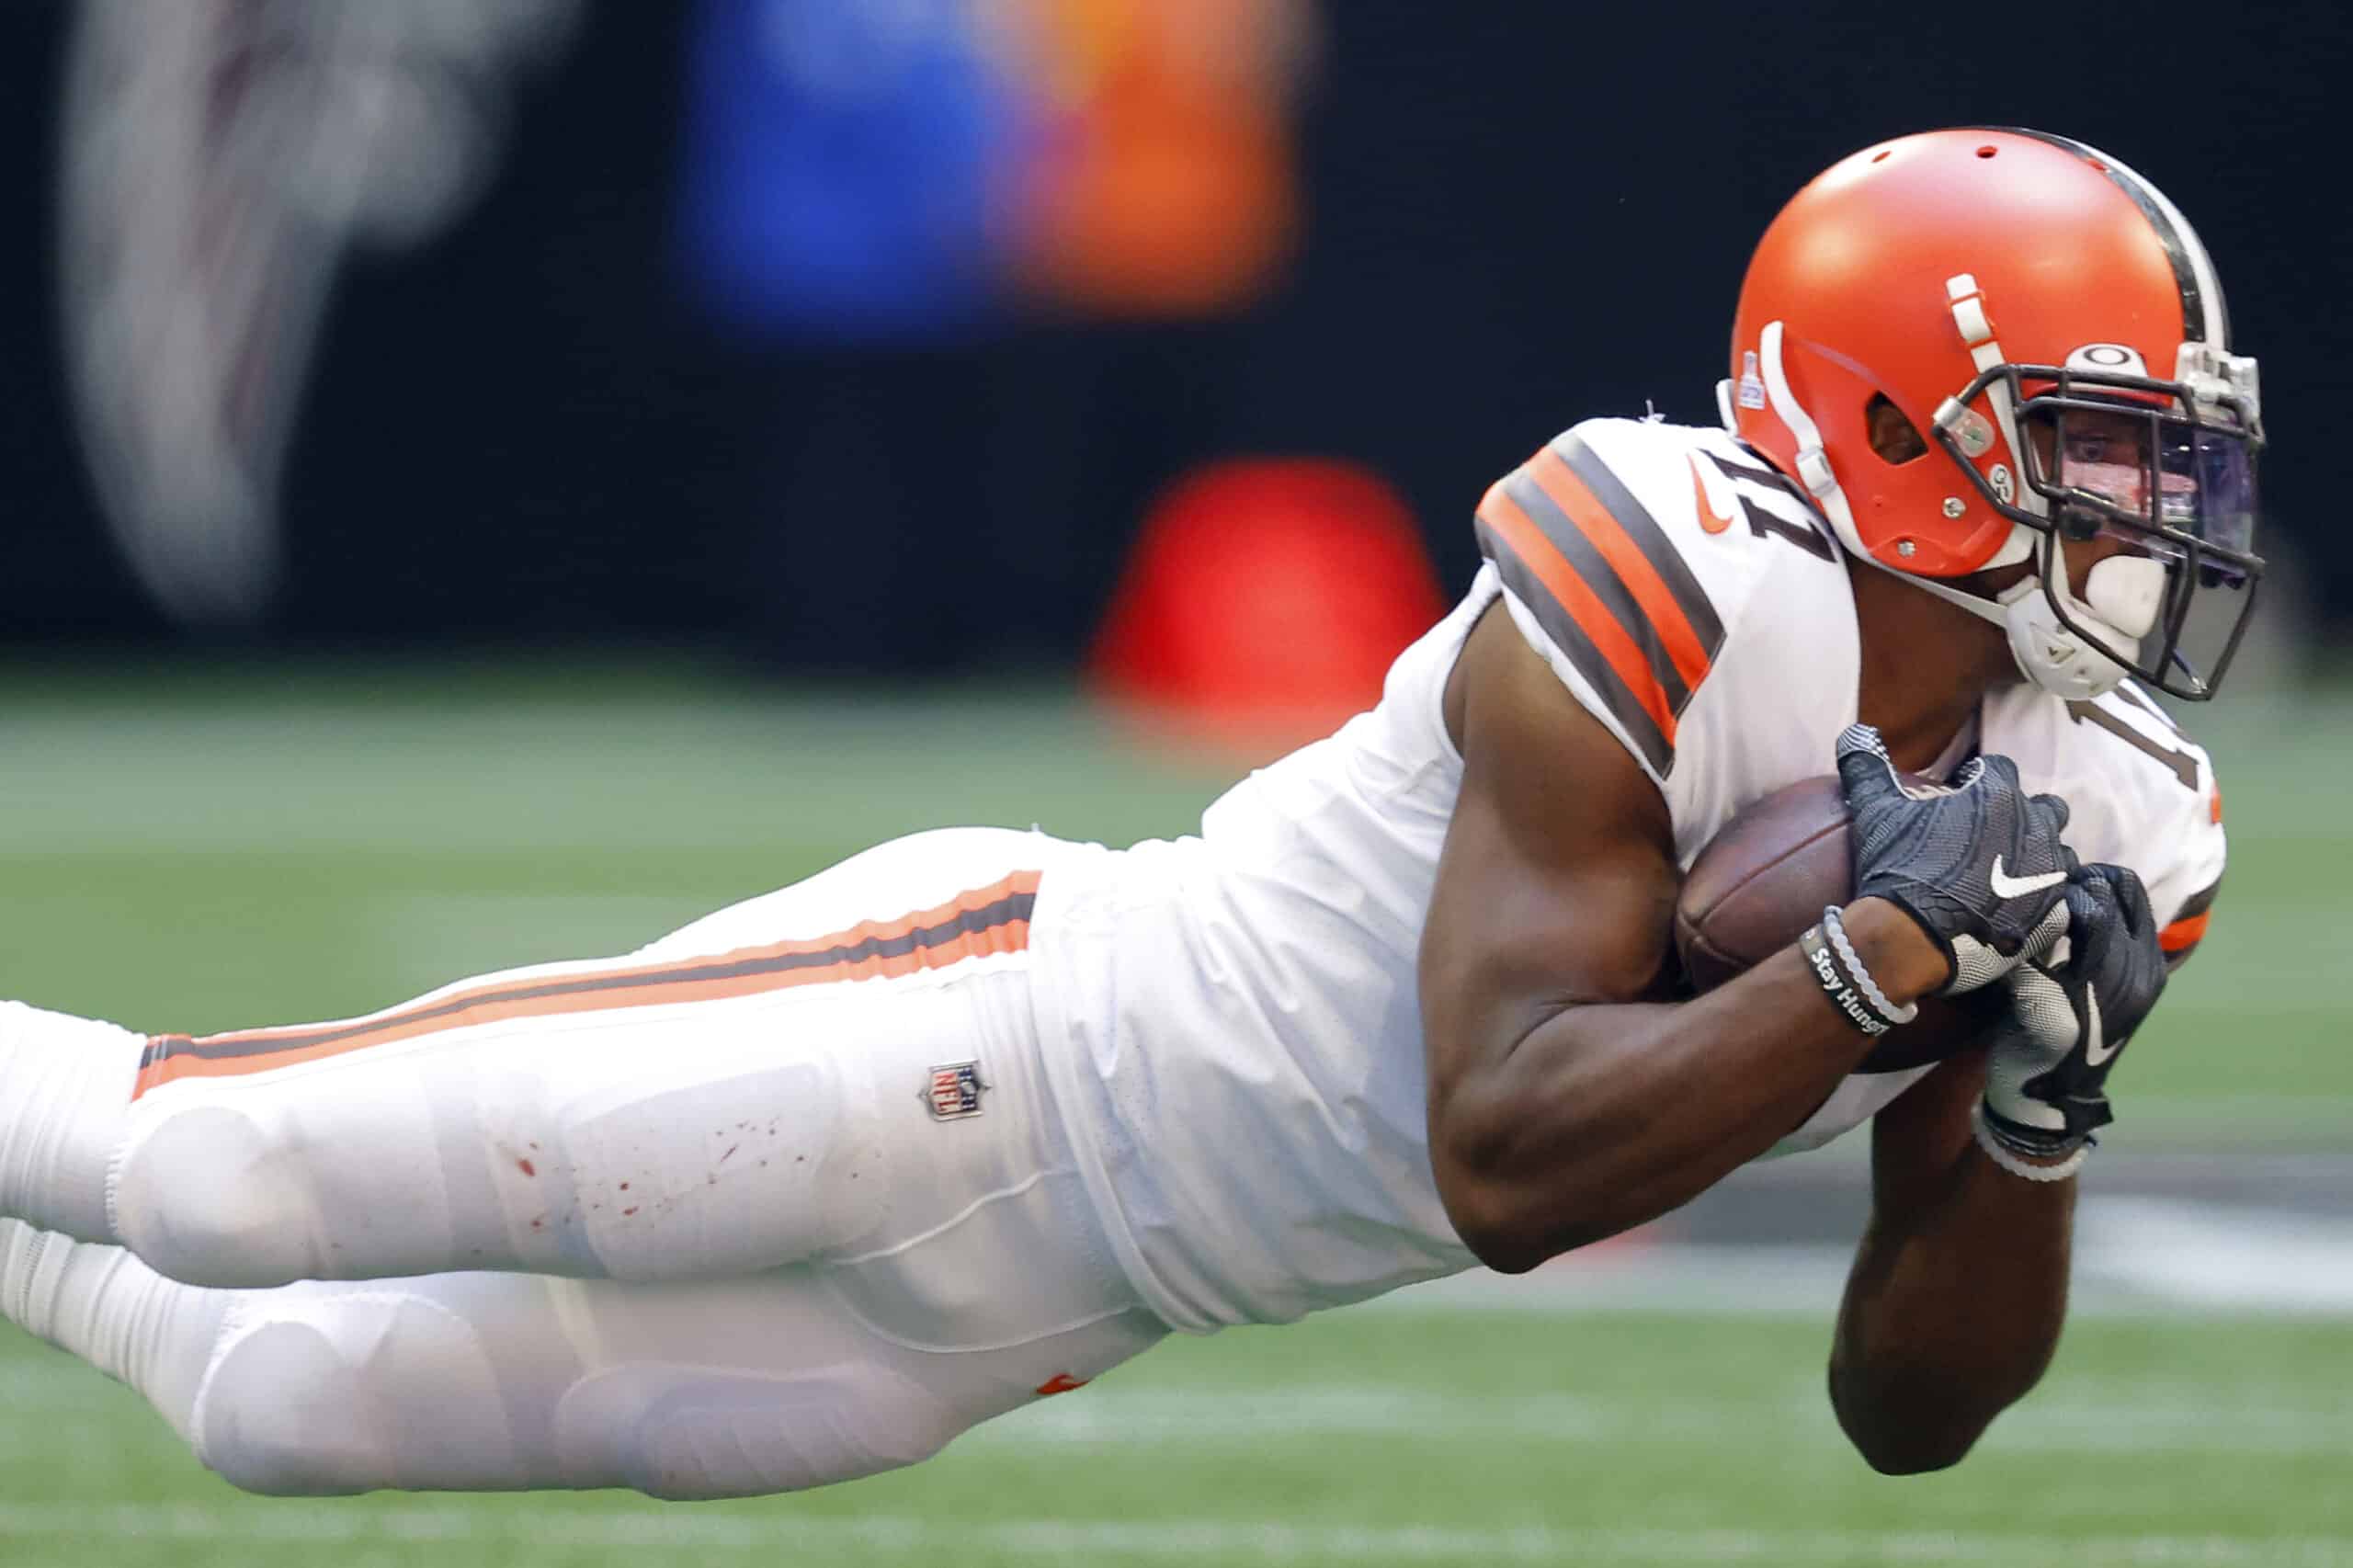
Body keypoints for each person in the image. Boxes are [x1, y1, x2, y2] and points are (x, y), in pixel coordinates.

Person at [0, 126, 2256, 1495]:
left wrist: (2032, 1117)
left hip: (1073, 1296)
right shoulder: (1666, 548)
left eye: (2170, 451)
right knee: (218, 1163)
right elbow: (1503, 1151)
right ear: (1880, 423)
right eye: (2098, 441)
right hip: (982, 1046)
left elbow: (1909, 1416)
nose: (2162, 511)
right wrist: (1872, 960)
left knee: (282, 1405)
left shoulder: (2111, 812)